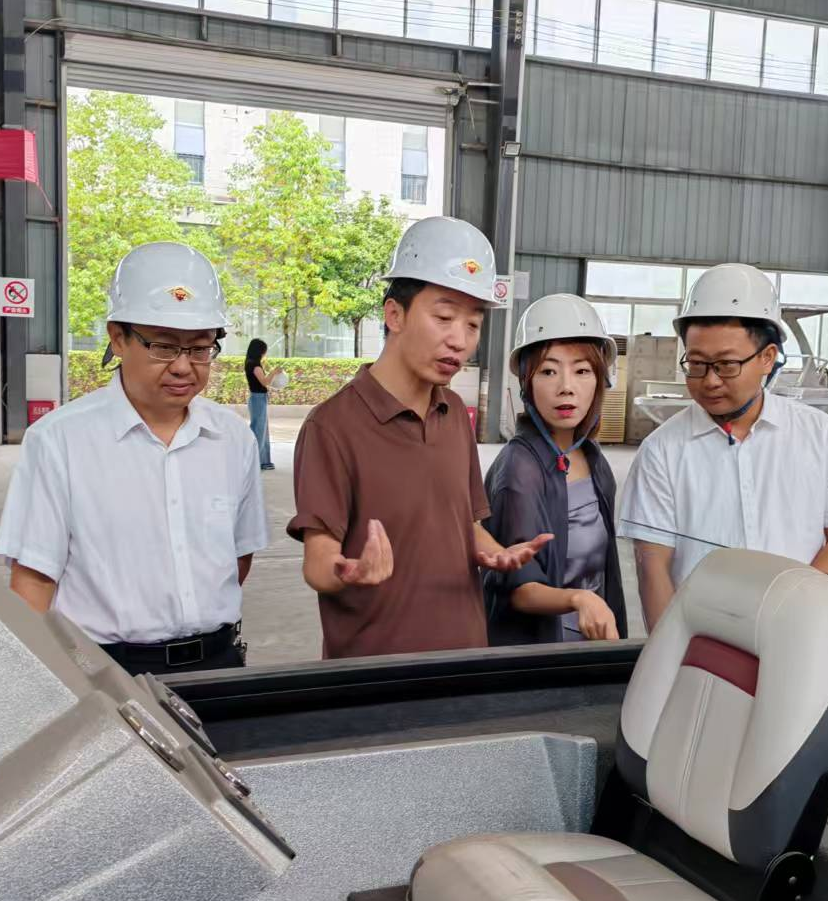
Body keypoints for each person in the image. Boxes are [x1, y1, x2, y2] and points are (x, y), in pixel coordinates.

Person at [0, 242, 268, 673]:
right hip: (106, 670)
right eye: (164, 346)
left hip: (218, 663)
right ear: (118, 337)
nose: (183, 366)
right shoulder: (59, 440)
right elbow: (33, 580)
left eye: (200, 348)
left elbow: (237, 558)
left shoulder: (233, 438)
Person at [288, 216, 549, 659]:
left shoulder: (454, 416)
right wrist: (349, 570)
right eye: (444, 317)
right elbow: (318, 560)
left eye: (473, 324)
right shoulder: (332, 427)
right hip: (377, 670)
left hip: (463, 658)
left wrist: (497, 555)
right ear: (395, 314)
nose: (459, 340)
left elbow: (466, 526)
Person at [617, 263, 828, 631]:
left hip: (800, 628)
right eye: (697, 364)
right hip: (703, 638)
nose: (710, 381)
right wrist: (671, 651)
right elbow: (652, 566)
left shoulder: (816, 433)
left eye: (727, 364)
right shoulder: (662, 451)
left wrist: (794, 607)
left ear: (767, 358)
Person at [484, 294, 627, 645]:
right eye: (548, 371)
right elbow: (518, 588)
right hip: (542, 657)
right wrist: (580, 599)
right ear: (527, 382)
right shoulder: (519, 470)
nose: (566, 387)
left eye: (582, 371)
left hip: (591, 646)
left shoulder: (593, 458)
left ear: (600, 380)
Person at [244, 337, 276, 469]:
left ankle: (264, 461)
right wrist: (274, 372)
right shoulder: (255, 365)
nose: (265, 353)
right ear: (259, 351)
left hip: (257, 398)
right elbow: (265, 382)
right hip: (258, 398)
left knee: (262, 430)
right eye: (264, 351)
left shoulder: (249, 363)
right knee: (259, 431)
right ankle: (256, 462)